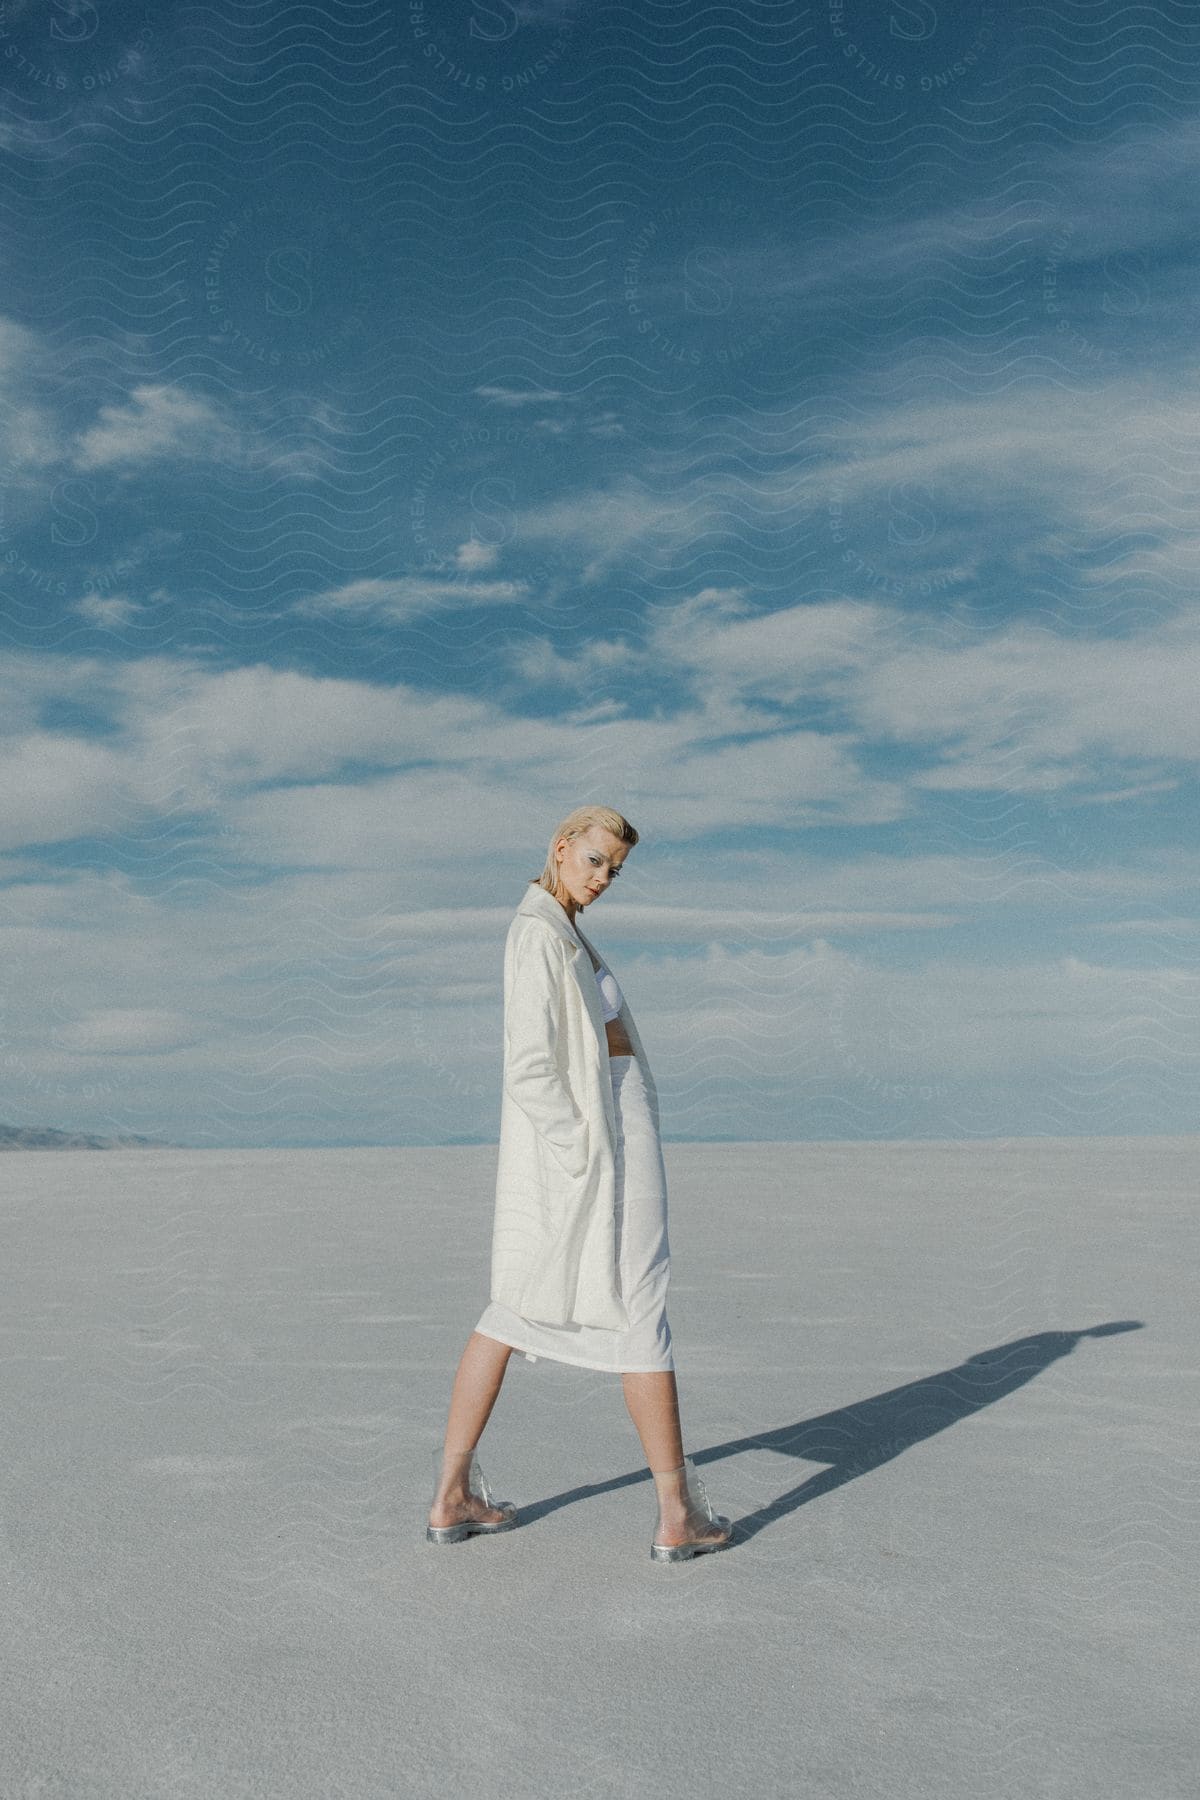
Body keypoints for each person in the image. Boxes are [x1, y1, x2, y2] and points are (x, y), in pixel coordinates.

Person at [426, 803, 732, 1561]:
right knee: (640, 1304)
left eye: (615, 870)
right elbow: (529, 1066)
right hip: (601, 1150)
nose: (603, 879)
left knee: (515, 1307)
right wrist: (582, 1152)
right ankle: (676, 1516)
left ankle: (451, 1497)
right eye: (594, 860)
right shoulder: (536, 933)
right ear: (561, 848)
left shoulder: (560, 929)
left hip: (603, 1140)